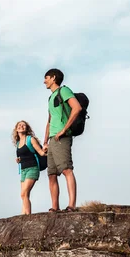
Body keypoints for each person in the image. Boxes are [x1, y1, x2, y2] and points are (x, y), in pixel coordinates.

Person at [42, 68, 82, 213]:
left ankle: (72, 205)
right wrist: (45, 141)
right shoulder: (51, 97)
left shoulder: (63, 91)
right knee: (51, 174)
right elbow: (49, 120)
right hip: (52, 139)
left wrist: (64, 130)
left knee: (66, 169)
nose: (44, 81)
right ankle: (55, 207)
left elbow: (76, 108)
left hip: (62, 137)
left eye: (46, 78)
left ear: (53, 78)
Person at [13, 120, 45, 215]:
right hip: (23, 170)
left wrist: (46, 149)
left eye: (24, 125)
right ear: (16, 129)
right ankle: (23, 214)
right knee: (25, 195)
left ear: (27, 128)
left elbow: (41, 152)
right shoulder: (18, 143)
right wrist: (18, 160)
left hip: (32, 168)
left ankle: (28, 216)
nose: (21, 126)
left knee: (23, 193)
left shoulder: (30, 139)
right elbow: (23, 155)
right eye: (19, 125)